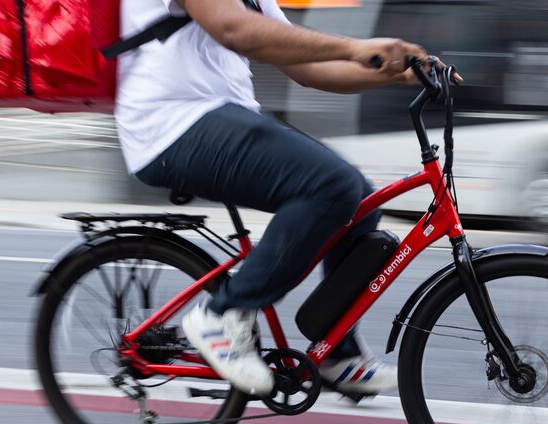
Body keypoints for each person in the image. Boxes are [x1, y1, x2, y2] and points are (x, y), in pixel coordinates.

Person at [115, 0, 436, 398]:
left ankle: (336, 352)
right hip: (169, 126)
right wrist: (356, 47)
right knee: (331, 185)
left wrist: (395, 73)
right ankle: (221, 316)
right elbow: (234, 29)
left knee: (359, 200)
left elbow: (309, 68)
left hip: (222, 117)